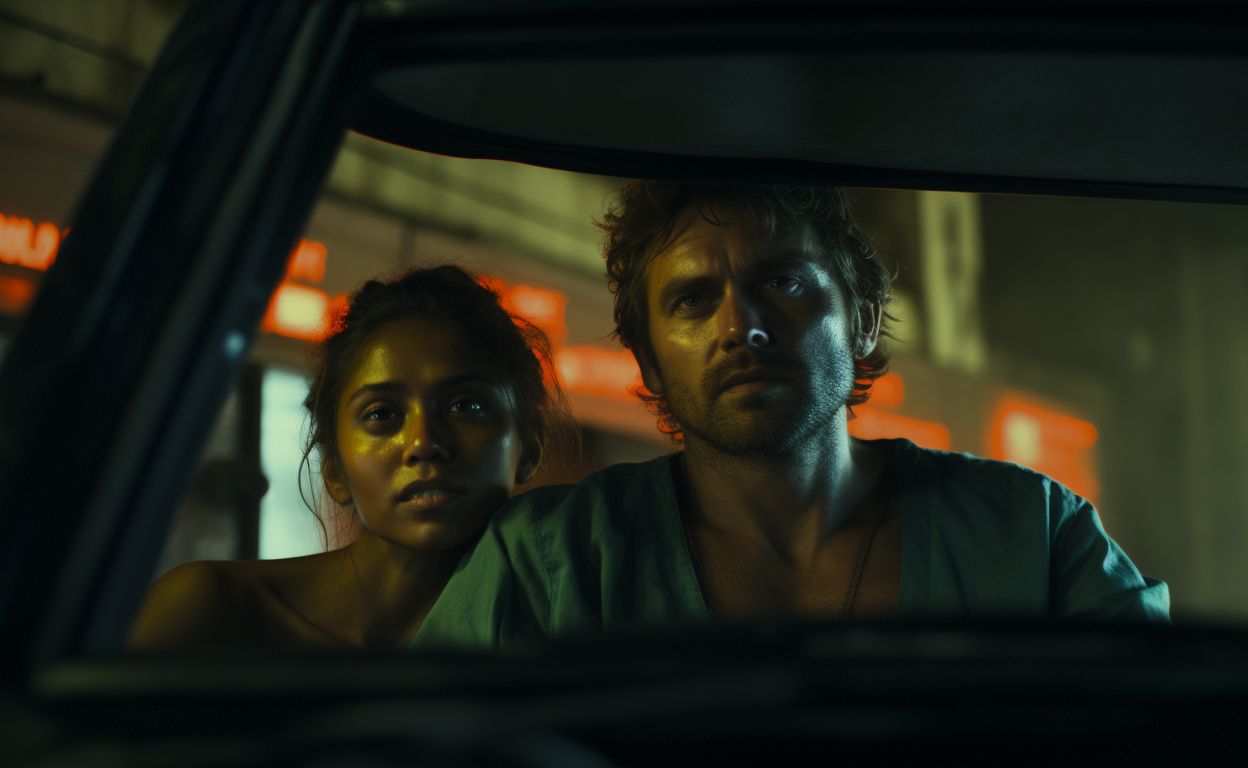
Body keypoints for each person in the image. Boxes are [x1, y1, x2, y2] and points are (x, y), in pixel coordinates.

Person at [413, 182, 1169, 647]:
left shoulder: (1032, 532)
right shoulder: (551, 560)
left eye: (781, 280)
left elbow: (1169, 728)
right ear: (646, 360)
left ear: (864, 319)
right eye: (692, 300)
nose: (740, 325)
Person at [129, 265, 578, 649]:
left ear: (530, 444)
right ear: (333, 467)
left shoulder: (564, 632)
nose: (424, 443)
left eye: (467, 406)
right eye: (382, 414)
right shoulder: (211, 612)